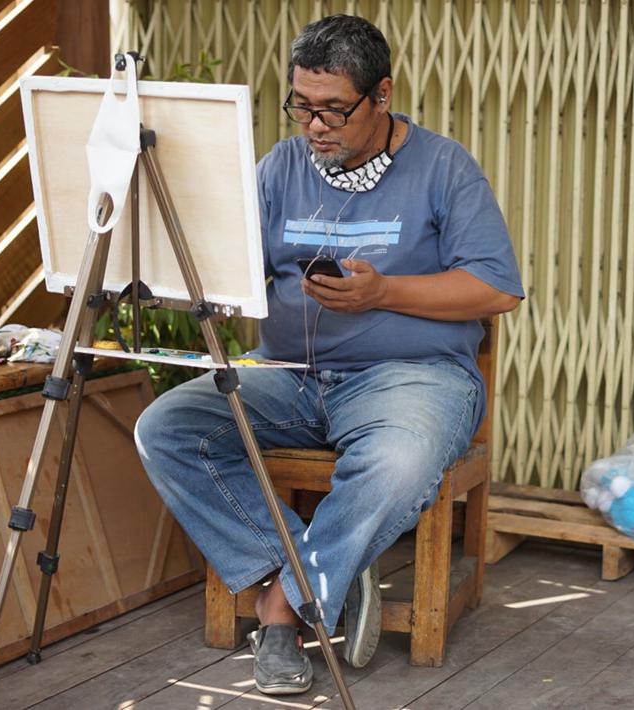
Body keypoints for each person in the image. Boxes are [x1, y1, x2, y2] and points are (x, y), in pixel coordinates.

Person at [134, 14, 523, 696]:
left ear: (382, 95)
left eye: (334, 109)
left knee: (399, 463)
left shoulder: (444, 167)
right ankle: (327, 568)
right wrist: (202, 285)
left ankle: (282, 609)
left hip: (411, 381)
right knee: (166, 428)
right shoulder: (281, 168)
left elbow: (497, 289)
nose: (315, 125)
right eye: (302, 106)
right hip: (287, 377)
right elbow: (236, 269)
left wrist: (385, 292)